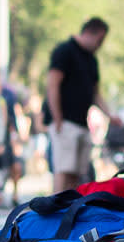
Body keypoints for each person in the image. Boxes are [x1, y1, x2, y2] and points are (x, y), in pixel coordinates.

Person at [44, 18, 110, 189]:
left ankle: (70, 209)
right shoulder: (64, 51)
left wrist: (110, 115)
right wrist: (57, 118)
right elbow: (53, 84)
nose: (100, 45)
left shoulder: (91, 60)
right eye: (100, 40)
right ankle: (58, 209)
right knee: (63, 170)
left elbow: (95, 93)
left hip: (82, 122)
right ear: (90, 33)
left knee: (76, 173)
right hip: (65, 121)